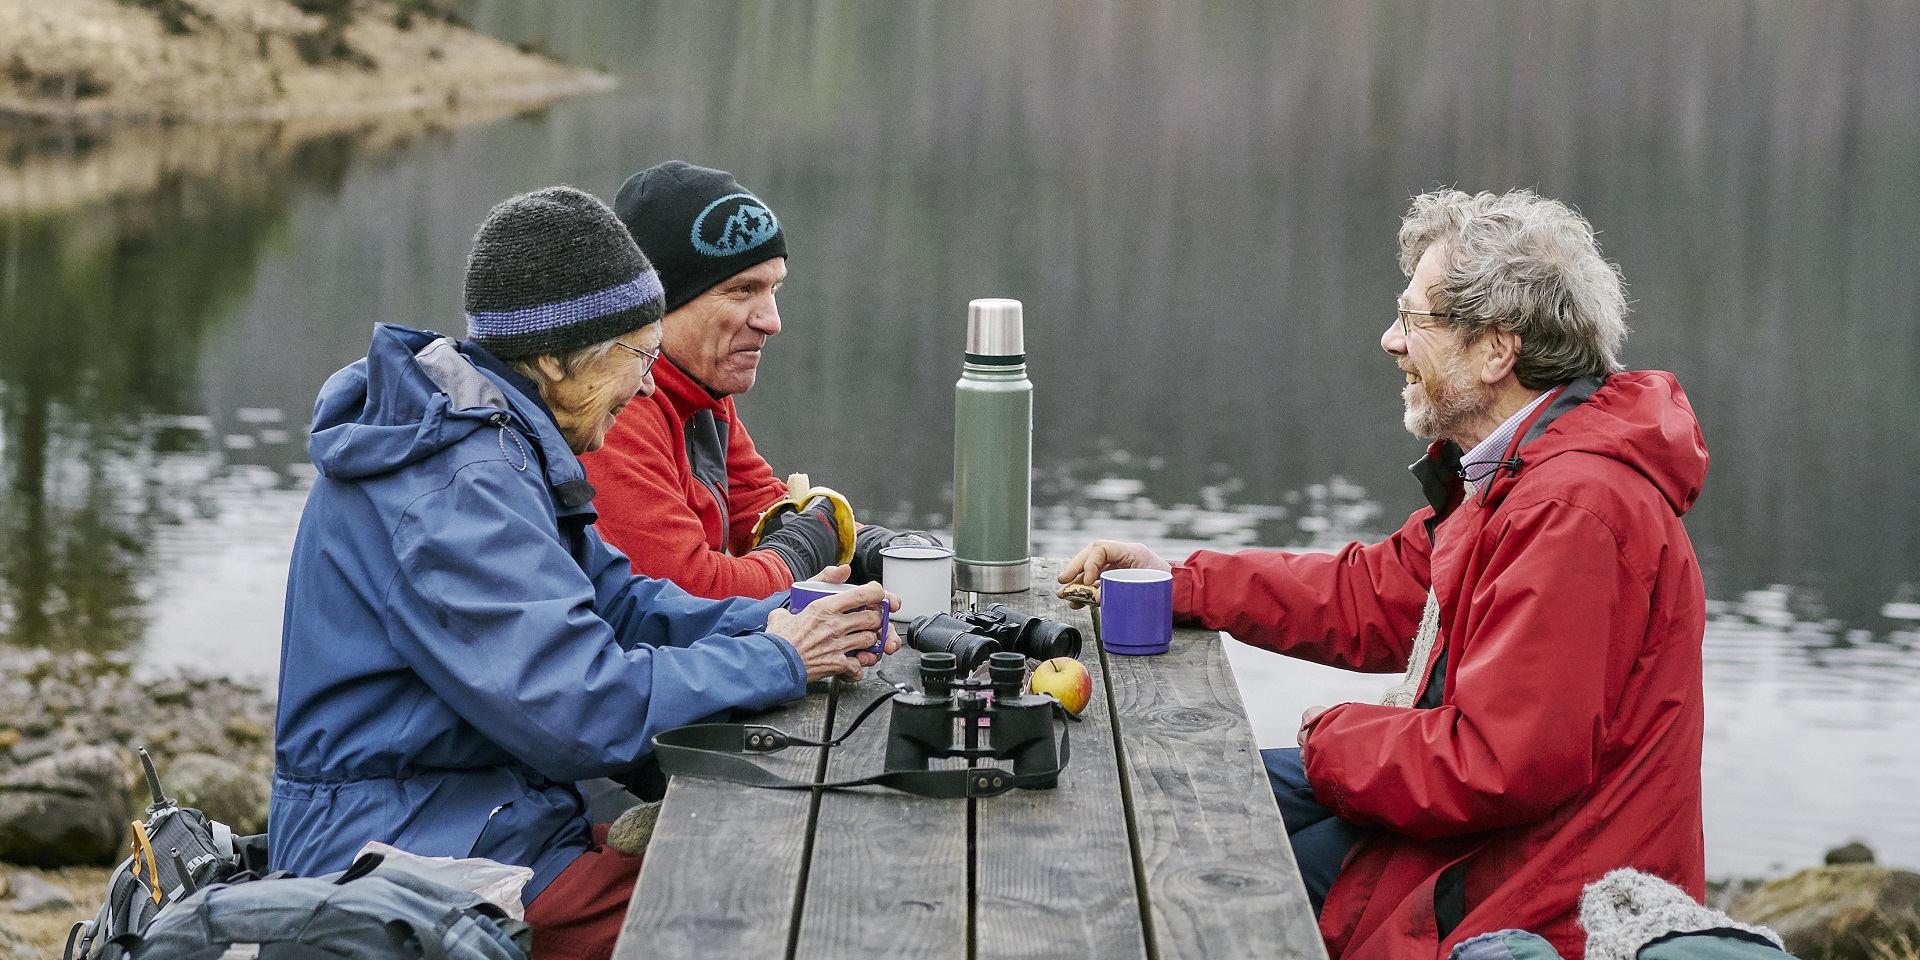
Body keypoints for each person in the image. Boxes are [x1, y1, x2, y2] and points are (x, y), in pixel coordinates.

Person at [1059, 189, 1709, 960]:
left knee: (1212, 882)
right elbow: (1379, 593)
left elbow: (1496, 766)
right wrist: (1184, 582)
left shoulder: (1574, 509)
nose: (1390, 340)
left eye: (1415, 320)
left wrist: (1329, 739)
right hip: (1492, 842)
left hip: (1532, 896)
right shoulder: (1519, 472)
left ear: (1496, 350)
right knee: (1191, 793)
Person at [271, 186, 899, 960]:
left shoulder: (500, 446)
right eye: (637, 354)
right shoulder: (459, 489)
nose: (646, 382)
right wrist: (779, 658)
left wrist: (782, 620)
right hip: (403, 857)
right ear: (552, 357)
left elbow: (623, 604)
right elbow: (576, 710)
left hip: (489, 811)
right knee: (757, 906)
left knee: (766, 852)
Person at [580, 161, 919, 600]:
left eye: (773, 290)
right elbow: (691, 593)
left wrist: (878, 548)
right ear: (660, 305)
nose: (771, 321)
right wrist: (806, 548)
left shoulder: (699, 389)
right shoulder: (613, 412)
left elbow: (757, 511)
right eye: (741, 290)